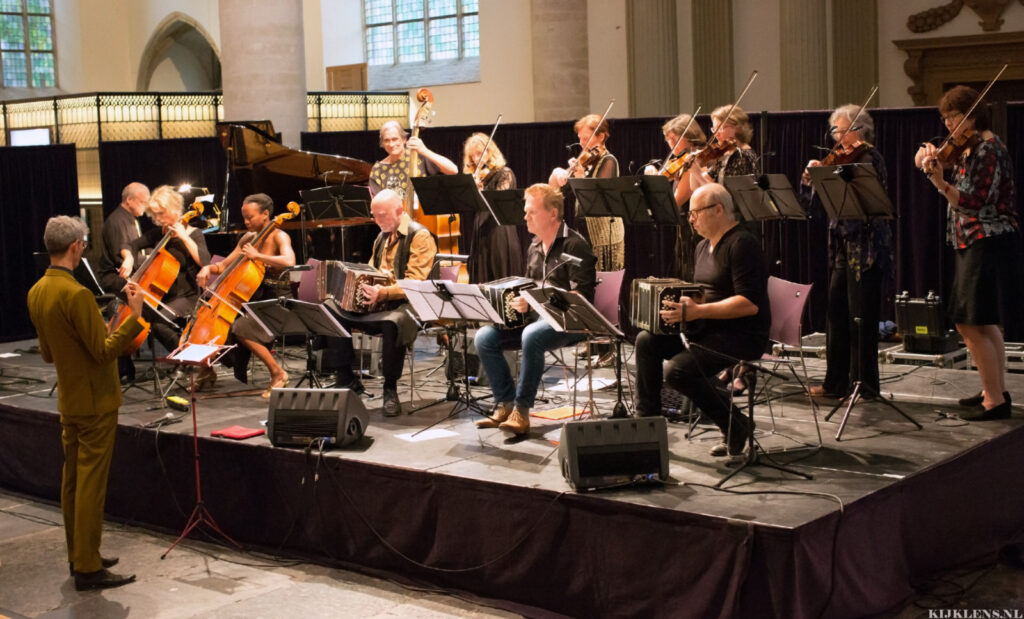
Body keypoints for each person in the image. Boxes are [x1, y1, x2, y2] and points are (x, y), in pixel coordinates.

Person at [27, 216, 144, 590]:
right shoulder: (76, 294)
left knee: (73, 483)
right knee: (91, 486)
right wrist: (134, 317)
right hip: (96, 403)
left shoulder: (37, 291)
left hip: (70, 400)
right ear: (77, 246)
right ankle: (89, 568)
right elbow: (104, 351)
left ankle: (81, 554)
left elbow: (48, 354)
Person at [634, 183, 771, 457]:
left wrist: (697, 311)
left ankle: (735, 423)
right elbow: (702, 295)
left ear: (718, 210)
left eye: (695, 212)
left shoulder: (742, 243)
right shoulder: (701, 247)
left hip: (741, 335)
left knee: (677, 370)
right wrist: (679, 306)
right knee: (646, 340)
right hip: (706, 328)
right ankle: (647, 425)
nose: (691, 218)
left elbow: (749, 304)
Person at [916, 85, 1021, 420]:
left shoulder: (988, 150)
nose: (949, 126)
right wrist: (929, 161)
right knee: (983, 321)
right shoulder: (969, 148)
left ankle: (995, 401)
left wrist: (940, 183)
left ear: (972, 115)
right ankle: (995, 389)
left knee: (969, 322)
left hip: (986, 239)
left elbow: (974, 200)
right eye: (945, 118)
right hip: (972, 240)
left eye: (954, 117)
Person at [473, 183, 597, 436]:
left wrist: (537, 301)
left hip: (571, 322)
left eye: (531, 212)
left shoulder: (574, 245)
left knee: (532, 335)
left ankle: (522, 410)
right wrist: (519, 301)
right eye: (525, 211)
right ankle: (506, 404)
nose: (525, 217)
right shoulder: (533, 247)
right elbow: (530, 290)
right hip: (538, 320)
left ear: (553, 213)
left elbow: (581, 297)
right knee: (484, 337)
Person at [803, 106, 892, 400]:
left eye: (842, 131)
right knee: (836, 315)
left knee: (862, 319)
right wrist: (814, 181)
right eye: (835, 131)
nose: (837, 137)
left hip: (866, 250)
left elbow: (867, 203)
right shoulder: (837, 160)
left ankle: (865, 386)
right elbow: (820, 206)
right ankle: (834, 383)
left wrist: (835, 177)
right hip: (842, 248)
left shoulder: (870, 157)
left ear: (860, 131)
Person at [327, 189, 438, 416]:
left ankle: (390, 387)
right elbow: (371, 271)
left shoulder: (420, 236)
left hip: (406, 304)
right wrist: (354, 286)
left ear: (400, 210)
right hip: (379, 302)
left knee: (393, 322)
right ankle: (346, 377)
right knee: (331, 308)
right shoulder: (381, 237)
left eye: (382, 216)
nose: (377, 221)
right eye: (374, 216)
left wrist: (384, 293)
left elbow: (414, 282)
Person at [195, 193, 296, 398]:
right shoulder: (248, 238)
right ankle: (207, 370)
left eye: (250, 217)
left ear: (266, 214)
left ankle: (278, 373)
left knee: (240, 327)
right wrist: (208, 268)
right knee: (216, 321)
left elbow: (289, 261)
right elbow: (224, 265)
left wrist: (257, 256)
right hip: (254, 299)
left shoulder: (279, 236)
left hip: (277, 299)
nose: (246, 222)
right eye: (244, 217)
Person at [121, 185, 211, 356]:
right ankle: (123, 369)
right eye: (155, 215)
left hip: (187, 296)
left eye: (161, 213)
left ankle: (188, 360)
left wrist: (184, 237)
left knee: (158, 324)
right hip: (162, 295)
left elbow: (204, 261)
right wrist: (129, 258)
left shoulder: (194, 233)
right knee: (125, 312)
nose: (158, 218)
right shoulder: (158, 234)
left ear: (174, 209)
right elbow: (130, 245)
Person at [549, 113, 624, 271]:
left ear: (601, 136)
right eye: (580, 138)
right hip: (585, 231)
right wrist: (557, 175)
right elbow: (558, 193)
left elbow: (597, 200)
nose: (582, 144)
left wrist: (581, 177)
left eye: (586, 138)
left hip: (604, 235)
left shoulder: (609, 161)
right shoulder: (586, 161)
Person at [644, 113, 709, 280]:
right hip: (684, 227)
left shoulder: (693, 161)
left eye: (674, 139)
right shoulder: (680, 161)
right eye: (668, 140)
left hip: (694, 228)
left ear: (689, 136)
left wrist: (654, 184)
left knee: (691, 274)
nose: (671, 144)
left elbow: (676, 201)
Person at [461, 132, 523, 283]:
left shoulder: (504, 173)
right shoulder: (477, 177)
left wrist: (480, 190)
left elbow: (499, 203)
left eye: (480, 153)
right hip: (481, 229)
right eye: (472, 156)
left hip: (499, 230)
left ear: (490, 152)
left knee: (500, 275)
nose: (476, 159)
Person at [368, 120, 458, 201]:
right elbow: (378, 203)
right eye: (387, 140)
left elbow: (453, 170)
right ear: (382, 143)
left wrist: (425, 151)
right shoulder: (378, 169)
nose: (391, 144)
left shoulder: (418, 156)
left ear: (404, 139)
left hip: (423, 216)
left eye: (395, 139)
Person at [688, 105, 758, 190]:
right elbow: (696, 188)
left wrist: (697, 173)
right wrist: (695, 166)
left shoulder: (742, 155)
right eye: (714, 129)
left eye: (720, 128)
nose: (716, 134)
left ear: (737, 127)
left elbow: (722, 195)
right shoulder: (725, 154)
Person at [97, 182, 150, 294]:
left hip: (128, 275)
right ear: (129, 200)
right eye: (142, 202)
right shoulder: (116, 221)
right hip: (115, 278)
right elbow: (121, 260)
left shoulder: (131, 219)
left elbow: (136, 248)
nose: (145, 207)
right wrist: (151, 258)